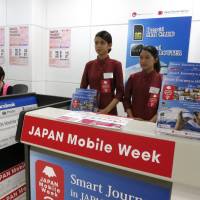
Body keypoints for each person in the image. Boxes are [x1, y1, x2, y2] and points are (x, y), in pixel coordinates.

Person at [80, 30, 124, 115]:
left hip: (110, 112)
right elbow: (82, 89)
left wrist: (106, 110)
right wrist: (86, 107)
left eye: (102, 43)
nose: (98, 46)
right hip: (91, 111)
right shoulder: (89, 65)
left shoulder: (116, 65)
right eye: (96, 43)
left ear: (109, 45)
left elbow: (120, 92)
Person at [123, 45, 162, 122]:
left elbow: (164, 106)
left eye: (147, 57)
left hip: (152, 125)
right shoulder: (133, 78)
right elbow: (126, 100)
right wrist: (131, 118)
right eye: (141, 58)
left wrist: (149, 122)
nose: (143, 61)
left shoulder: (162, 80)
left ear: (155, 59)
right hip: (133, 122)